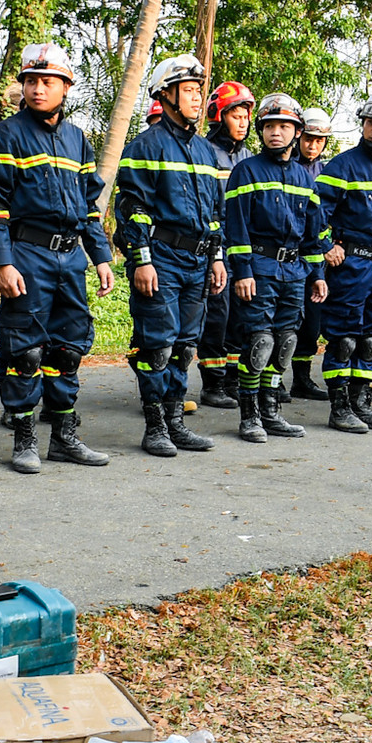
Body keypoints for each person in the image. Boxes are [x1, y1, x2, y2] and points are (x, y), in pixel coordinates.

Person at [0, 42, 118, 474]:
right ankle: (24, 440)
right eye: (31, 81)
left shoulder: (78, 140)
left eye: (48, 82)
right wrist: (4, 262)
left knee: (68, 351)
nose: (38, 89)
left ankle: (64, 438)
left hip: (70, 256)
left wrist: (102, 257)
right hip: (27, 253)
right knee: (26, 352)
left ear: (65, 88)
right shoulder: (5, 136)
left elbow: (90, 207)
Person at [112, 52, 226, 457]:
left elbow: (215, 213)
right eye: (190, 90)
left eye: (199, 90)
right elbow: (129, 208)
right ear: (167, 95)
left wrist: (216, 257)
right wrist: (140, 259)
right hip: (161, 258)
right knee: (156, 346)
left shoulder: (205, 151)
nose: (197, 98)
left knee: (185, 346)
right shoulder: (145, 146)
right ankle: (155, 426)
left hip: (198, 261)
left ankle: (176, 422)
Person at [223, 93, 328, 442]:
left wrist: (317, 275)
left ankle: (272, 411)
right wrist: (243, 272)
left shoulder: (304, 177)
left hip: (294, 271)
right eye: (269, 126)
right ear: (261, 131)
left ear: (297, 131)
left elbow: (314, 235)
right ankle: (249, 415)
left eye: (284, 126)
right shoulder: (246, 171)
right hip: (260, 267)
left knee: (285, 342)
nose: (276, 133)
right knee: (259, 341)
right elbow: (234, 227)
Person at [314, 89, 372, 434]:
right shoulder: (342, 165)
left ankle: (360, 404)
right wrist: (326, 245)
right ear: (362, 124)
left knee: (370, 339)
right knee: (344, 338)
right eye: (371, 122)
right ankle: (339, 409)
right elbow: (315, 212)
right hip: (351, 266)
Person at [197, 81, 255, 408]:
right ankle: (212, 384)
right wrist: (215, 252)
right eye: (237, 114)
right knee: (216, 317)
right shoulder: (205, 153)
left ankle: (233, 380)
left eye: (247, 115)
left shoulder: (248, 158)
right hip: (214, 251)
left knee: (241, 318)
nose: (243, 121)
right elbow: (206, 208)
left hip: (244, 252)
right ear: (220, 115)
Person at [286, 106, 336, 403]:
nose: (313, 145)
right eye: (308, 138)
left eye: (319, 141)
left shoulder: (327, 173)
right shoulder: (284, 164)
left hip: (316, 257)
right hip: (288, 254)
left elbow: (330, 216)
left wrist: (329, 243)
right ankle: (273, 379)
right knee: (284, 320)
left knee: (312, 321)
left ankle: (302, 379)